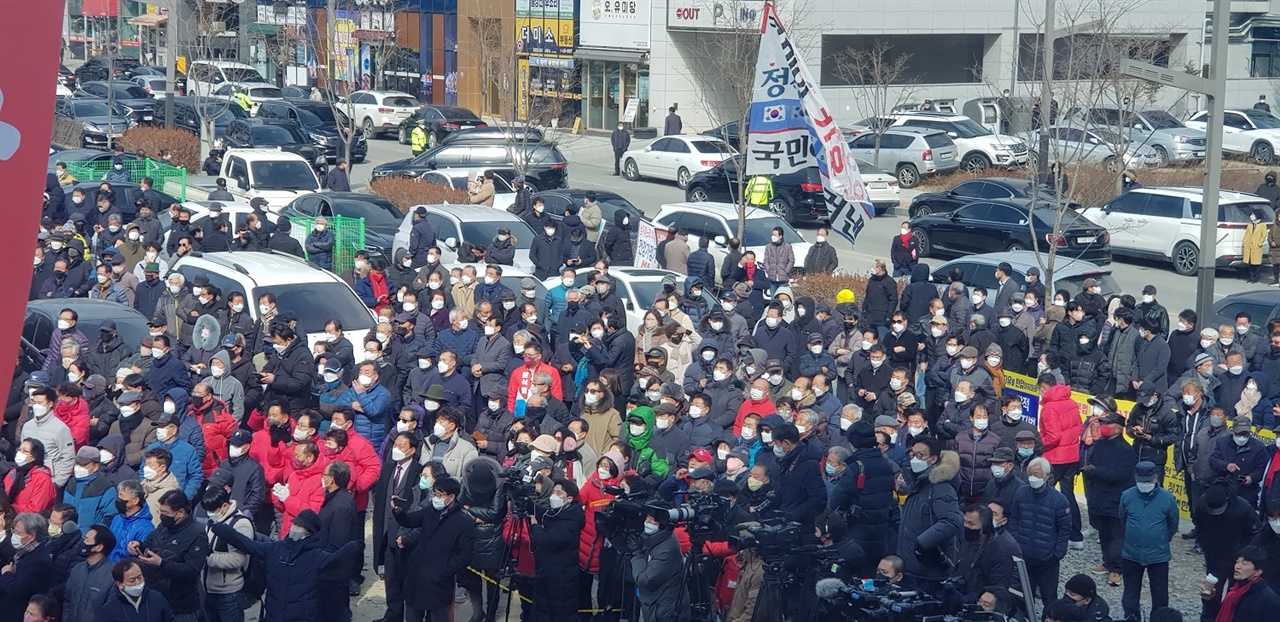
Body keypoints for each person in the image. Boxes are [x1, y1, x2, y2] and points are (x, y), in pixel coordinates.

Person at [209, 509, 357, 622]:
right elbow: (247, 544)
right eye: (295, 524)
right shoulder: (275, 549)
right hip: (273, 614)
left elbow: (335, 560)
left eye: (300, 525)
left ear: (309, 532)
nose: (295, 528)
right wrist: (222, 529)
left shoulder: (316, 556)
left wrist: (352, 547)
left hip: (301, 617)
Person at [391, 476, 475, 622]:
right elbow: (410, 520)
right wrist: (399, 512)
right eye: (434, 494)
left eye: (439, 495)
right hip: (417, 577)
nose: (435, 498)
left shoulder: (464, 521)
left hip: (439, 582)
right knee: (412, 616)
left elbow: (465, 554)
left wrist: (444, 571)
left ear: (451, 497)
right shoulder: (430, 511)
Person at [129, 490, 208, 621]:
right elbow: (149, 544)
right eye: (161, 512)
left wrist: (161, 564)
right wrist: (138, 545)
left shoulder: (197, 534)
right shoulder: (163, 526)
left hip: (180, 605)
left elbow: (192, 569)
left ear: (181, 512)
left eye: (166, 513)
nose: (161, 516)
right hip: (155, 597)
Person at [898, 437, 961, 593]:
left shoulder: (941, 487)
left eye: (920, 455)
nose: (914, 459)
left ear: (933, 459)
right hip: (912, 567)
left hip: (928, 568)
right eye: (912, 454)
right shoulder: (918, 483)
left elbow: (951, 521)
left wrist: (922, 543)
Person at [1118, 460, 1179, 620]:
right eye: (1141, 481)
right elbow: (1122, 519)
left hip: (1158, 556)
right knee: (1130, 595)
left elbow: (1173, 524)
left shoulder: (1168, 498)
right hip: (1131, 554)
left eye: (1147, 481)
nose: (1144, 484)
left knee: (1160, 595)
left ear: (1155, 478)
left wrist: (1161, 539)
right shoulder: (1127, 496)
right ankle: (1131, 618)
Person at [1082, 412, 1137, 588]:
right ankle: (1107, 562)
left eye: (1108, 423)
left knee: (1117, 535)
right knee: (1104, 533)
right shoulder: (1100, 445)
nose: (1103, 426)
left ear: (1119, 427)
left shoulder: (1126, 450)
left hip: (1116, 499)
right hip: (1099, 497)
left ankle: (1117, 568)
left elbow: (1121, 475)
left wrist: (1096, 471)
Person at [1008, 457, 1072, 603]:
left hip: (1048, 561)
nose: (1032, 478)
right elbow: (1014, 520)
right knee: (1023, 598)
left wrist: (1057, 553)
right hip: (1024, 558)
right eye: (1030, 474)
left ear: (1046, 476)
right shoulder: (1021, 493)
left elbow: (1065, 528)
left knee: (1049, 599)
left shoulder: (1059, 500)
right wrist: (1015, 543)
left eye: (1036, 474)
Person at [527, 479, 584, 622]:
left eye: (559, 493)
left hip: (561, 580)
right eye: (553, 492)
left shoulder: (571, 522)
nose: (554, 496)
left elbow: (545, 541)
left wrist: (534, 525)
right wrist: (525, 501)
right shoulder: (557, 512)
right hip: (550, 574)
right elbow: (543, 512)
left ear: (569, 499)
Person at [317, 461, 358, 622]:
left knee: (336, 610)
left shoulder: (342, 505)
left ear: (332, 479)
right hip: (328, 567)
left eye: (325, 475)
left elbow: (338, 541)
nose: (322, 478)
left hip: (334, 569)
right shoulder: (333, 498)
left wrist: (320, 559)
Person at [632, 511, 690, 622]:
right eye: (647, 517)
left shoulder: (666, 549)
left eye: (652, 519)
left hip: (664, 610)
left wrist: (636, 554)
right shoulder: (654, 538)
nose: (647, 522)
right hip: (655, 604)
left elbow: (644, 579)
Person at [0, 513, 55, 622]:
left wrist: (6, 574)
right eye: (13, 531)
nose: (14, 535)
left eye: (18, 533)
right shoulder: (21, 552)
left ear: (31, 536)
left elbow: (17, 590)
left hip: (19, 614)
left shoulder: (39, 561)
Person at [1206, 545, 1280, 621]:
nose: (1237, 566)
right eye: (1237, 562)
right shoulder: (1235, 591)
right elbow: (1221, 615)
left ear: (1257, 571)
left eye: (1244, 563)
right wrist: (1210, 600)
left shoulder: (1268, 599)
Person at [63, 525, 117, 622]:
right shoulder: (77, 569)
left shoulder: (113, 575)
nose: (83, 543)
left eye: (87, 540)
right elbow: (67, 600)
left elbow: (112, 612)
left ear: (99, 547)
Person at [99, 559, 174, 622]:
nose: (138, 583)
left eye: (140, 577)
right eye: (132, 580)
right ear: (120, 583)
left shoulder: (157, 598)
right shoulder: (110, 608)